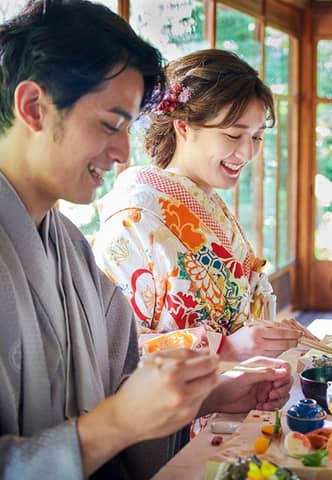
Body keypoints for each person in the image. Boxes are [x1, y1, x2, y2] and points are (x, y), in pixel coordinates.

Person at [0, 2, 293, 479]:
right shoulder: (133, 214)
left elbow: (121, 375)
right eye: (109, 124)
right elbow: (118, 407)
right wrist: (115, 424)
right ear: (33, 107)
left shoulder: (68, 245)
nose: (121, 153)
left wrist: (214, 391)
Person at [94, 49, 305, 361]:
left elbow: (236, 320)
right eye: (234, 135)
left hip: (229, 393)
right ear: (183, 127)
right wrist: (225, 347)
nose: (247, 153)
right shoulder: (135, 218)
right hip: (169, 405)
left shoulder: (207, 204)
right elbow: (109, 349)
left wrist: (274, 334)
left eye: (257, 137)